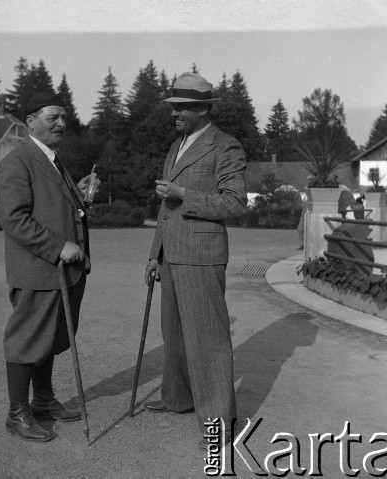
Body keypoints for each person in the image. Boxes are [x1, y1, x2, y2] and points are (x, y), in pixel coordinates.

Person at [143, 72, 247, 449]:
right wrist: (155, 255)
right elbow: (165, 206)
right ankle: (177, 399)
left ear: (203, 109)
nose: (174, 114)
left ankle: (218, 423)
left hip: (202, 257)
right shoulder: (177, 145)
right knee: (175, 334)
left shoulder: (226, 147)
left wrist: (184, 192)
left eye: (182, 108)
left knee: (207, 339)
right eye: (172, 108)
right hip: (172, 257)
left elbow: (235, 203)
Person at [0, 92, 98, 442]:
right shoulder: (17, 161)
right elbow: (14, 218)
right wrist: (59, 246)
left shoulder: (53, 160)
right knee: (27, 339)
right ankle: (17, 413)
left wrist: (79, 194)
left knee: (50, 338)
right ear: (31, 122)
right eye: (53, 117)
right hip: (38, 271)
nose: (61, 123)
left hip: (61, 272)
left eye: (64, 117)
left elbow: (53, 205)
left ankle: (42, 400)